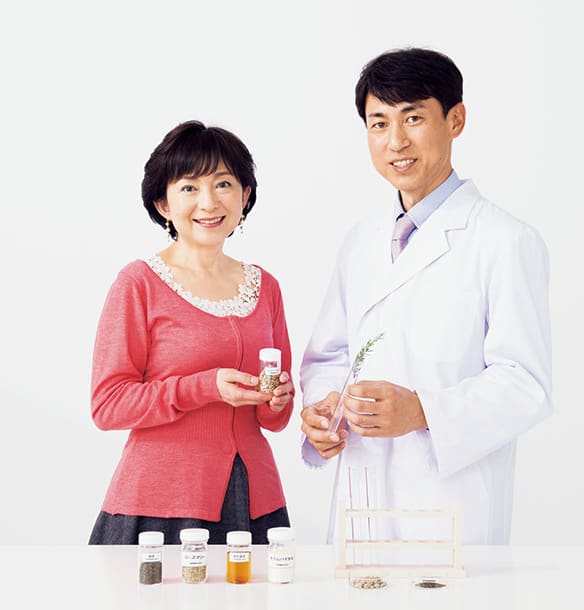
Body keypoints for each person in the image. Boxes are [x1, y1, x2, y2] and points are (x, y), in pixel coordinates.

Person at [300, 48, 552, 545]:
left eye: (413, 118)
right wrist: (324, 408)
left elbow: (526, 384)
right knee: (355, 582)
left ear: (455, 120)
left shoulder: (505, 240)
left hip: (450, 503)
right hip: (361, 495)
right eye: (379, 123)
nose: (396, 141)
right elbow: (329, 355)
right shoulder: (361, 239)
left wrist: (422, 411)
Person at [89, 120, 294, 545]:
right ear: (163, 203)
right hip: (161, 503)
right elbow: (108, 405)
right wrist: (204, 387)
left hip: (254, 498)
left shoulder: (266, 286)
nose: (209, 202)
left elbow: (275, 418)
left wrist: (278, 399)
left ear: (245, 197)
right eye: (189, 187)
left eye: (223, 184)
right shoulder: (139, 283)